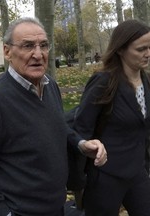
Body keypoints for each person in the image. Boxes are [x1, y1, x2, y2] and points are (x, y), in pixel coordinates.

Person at [0, 17, 107, 216]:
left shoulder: (50, 86)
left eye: (44, 45)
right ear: (7, 52)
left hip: (57, 208)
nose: (38, 54)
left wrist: (81, 144)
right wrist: (3, 212)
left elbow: (56, 125)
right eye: (28, 46)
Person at [73, 19, 150, 216]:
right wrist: (86, 152)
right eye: (141, 49)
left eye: (149, 47)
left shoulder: (145, 80)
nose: (147, 53)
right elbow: (81, 127)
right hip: (106, 176)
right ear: (120, 50)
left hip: (138, 172)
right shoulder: (104, 82)